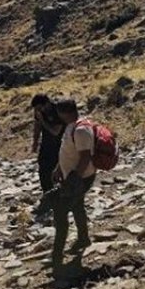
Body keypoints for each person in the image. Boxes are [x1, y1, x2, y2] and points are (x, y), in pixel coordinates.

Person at [51, 98, 96, 274]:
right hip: (74, 176)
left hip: (80, 178)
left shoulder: (81, 130)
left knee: (61, 214)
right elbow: (68, 151)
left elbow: (85, 156)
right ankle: (83, 239)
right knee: (77, 207)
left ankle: (57, 254)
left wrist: (74, 178)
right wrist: (58, 168)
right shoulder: (73, 126)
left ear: (63, 113)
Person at [30, 94, 64, 222]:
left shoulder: (57, 110)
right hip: (46, 145)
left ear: (46, 104)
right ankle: (47, 198)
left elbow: (56, 131)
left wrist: (43, 121)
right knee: (43, 170)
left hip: (60, 144)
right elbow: (37, 126)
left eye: (40, 108)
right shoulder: (40, 112)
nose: (39, 111)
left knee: (56, 171)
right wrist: (35, 142)